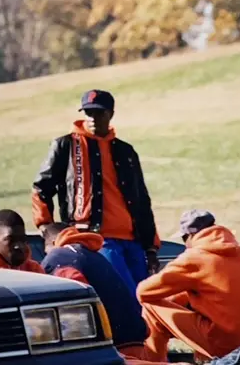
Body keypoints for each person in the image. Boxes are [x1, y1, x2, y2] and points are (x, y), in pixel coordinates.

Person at [31, 89, 160, 295]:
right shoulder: (65, 145)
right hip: (95, 239)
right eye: (88, 112)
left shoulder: (125, 151)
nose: (92, 118)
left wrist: (150, 246)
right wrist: (45, 226)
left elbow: (141, 200)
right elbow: (41, 187)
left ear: (111, 114)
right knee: (125, 296)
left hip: (133, 240)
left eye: (99, 113)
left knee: (145, 296)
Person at [137, 209, 240, 362]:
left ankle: (152, 362)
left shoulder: (194, 258)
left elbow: (143, 292)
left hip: (228, 345)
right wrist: (184, 296)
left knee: (150, 307)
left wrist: (174, 299)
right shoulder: (237, 252)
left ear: (189, 236)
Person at [41, 222, 148, 355]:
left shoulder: (59, 258)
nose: (46, 255)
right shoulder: (92, 254)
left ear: (52, 242)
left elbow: (76, 303)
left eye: (46, 251)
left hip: (111, 348)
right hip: (134, 337)